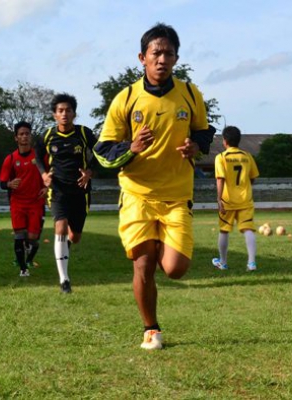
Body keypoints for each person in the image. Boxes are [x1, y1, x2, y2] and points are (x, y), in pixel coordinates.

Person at [94, 23, 215, 350]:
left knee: (175, 269)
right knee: (143, 264)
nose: (162, 59)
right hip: (137, 195)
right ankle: (151, 328)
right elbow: (103, 151)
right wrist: (131, 148)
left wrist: (195, 147)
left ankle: (161, 242)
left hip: (177, 196)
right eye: (156, 53)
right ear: (142, 58)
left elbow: (204, 132)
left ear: (176, 58)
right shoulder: (127, 98)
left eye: (168, 54)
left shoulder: (190, 94)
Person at [35, 93, 97, 294]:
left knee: (75, 236)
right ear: (54, 115)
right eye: (60, 111)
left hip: (80, 191)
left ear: (74, 113)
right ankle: (64, 280)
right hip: (58, 190)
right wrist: (44, 174)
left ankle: (65, 249)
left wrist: (89, 172)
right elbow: (37, 155)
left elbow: (100, 153)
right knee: (60, 228)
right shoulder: (47, 136)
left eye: (68, 110)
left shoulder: (85, 133)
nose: (64, 114)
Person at [0, 121, 47, 277]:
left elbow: (51, 174)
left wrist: (47, 188)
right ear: (16, 138)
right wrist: (9, 184)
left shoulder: (39, 156)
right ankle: (23, 269)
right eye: (21, 134)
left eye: (27, 133)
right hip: (18, 203)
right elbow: (2, 183)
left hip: (36, 202)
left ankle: (30, 256)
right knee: (19, 236)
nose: (24, 136)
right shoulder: (11, 159)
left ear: (30, 136)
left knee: (33, 237)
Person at [212, 126, 260, 271]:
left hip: (227, 201)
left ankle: (223, 262)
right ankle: (251, 263)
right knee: (248, 229)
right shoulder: (247, 156)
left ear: (224, 141)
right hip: (245, 200)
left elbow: (220, 179)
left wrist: (219, 199)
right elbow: (252, 178)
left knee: (224, 230)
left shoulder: (221, 157)